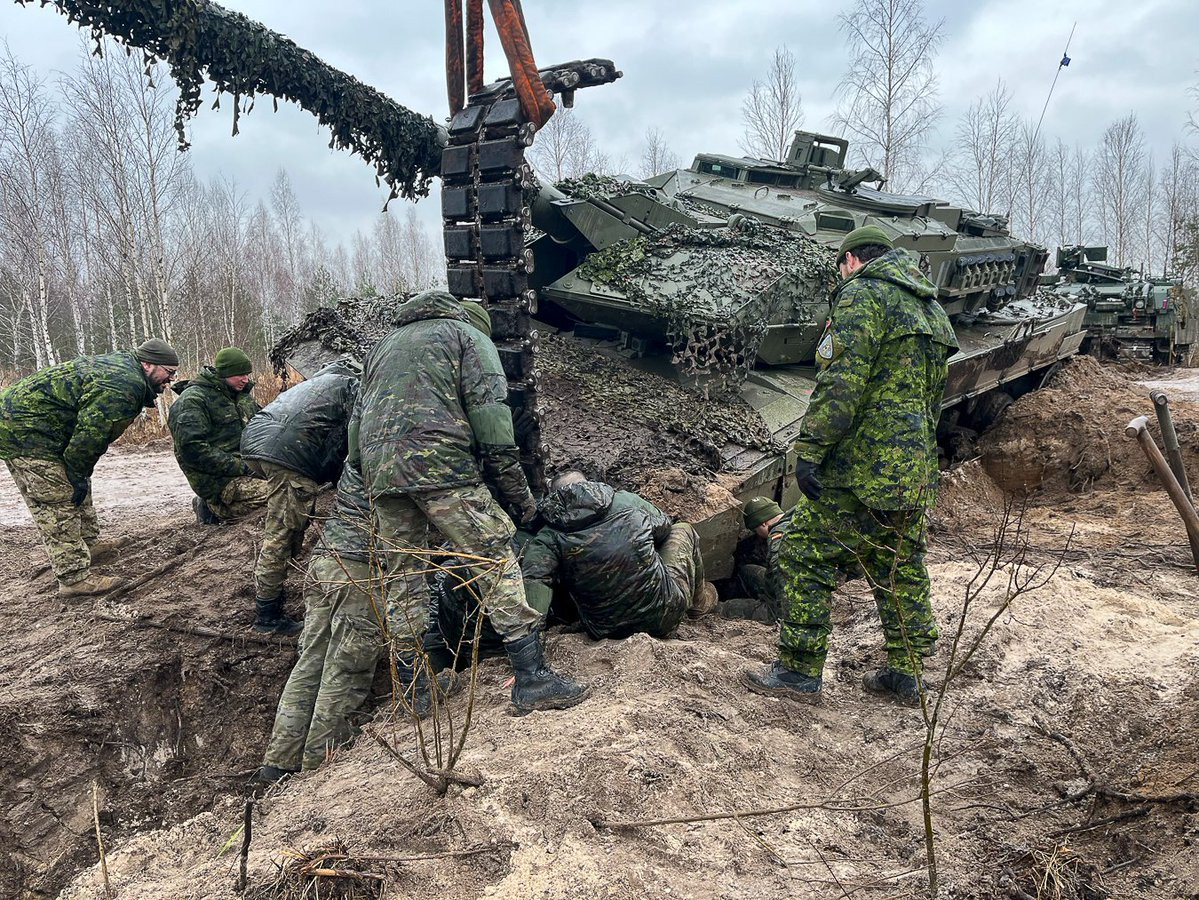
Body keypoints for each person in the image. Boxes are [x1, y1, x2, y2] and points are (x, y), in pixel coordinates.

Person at [742, 225, 958, 707]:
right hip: (913, 468)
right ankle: (907, 674)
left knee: (800, 550)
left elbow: (842, 383)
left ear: (852, 260)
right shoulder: (930, 307)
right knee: (897, 563)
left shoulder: (863, 295)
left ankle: (799, 669)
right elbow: (933, 398)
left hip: (863, 468)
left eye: (840, 267)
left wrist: (812, 449)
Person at [350, 290, 588, 715]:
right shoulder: (468, 338)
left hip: (382, 476)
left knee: (403, 577)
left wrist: (374, 471)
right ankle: (531, 678)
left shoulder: (383, 347)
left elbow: (355, 431)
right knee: (494, 556)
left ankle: (416, 692)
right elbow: (496, 434)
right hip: (442, 470)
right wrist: (524, 504)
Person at [0, 338, 179, 597]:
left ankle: (88, 544)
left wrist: (79, 472)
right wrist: (76, 473)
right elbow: (90, 437)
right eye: (169, 372)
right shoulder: (123, 386)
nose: (171, 379)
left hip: (39, 425)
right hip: (25, 433)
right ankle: (73, 578)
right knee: (57, 499)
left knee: (78, 478)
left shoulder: (127, 369)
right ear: (148, 364)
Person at [257, 462, 385, 781]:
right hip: (356, 571)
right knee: (348, 667)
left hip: (325, 560)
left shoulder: (365, 441)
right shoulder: (418, 453)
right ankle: (317, 771)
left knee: (312, 661)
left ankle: (279, 762)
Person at [521, 471, 718, 640]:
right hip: (665, 616)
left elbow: (534, 580)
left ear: (552, 498)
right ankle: (698, 604)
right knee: (683, 529)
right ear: (589, 484)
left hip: (603, 631)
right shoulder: (626, 501)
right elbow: (665, 526)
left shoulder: (547, 537)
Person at [240, 360, 359, 635]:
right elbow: (354, 440)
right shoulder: (351, 387)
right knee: (281, 533)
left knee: (288, 523)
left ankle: (270, 601)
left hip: (255, 444)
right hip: (289, 455)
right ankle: (267, 615)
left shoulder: (313, 384)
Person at [168, 347, 267, 525]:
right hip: (223, 484)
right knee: (284, 497)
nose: (246, 379)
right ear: (225, 373)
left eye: (247, 374)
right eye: (240, 374)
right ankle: (213, 508)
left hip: (253, 471)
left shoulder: (240, 397)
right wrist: (243, 467)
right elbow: (193, 451)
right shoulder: (192, 402)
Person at [719, 496, 788, 624]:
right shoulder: (796, 523)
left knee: (725, 608)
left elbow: (780, 576)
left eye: (756, 530)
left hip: (784, 607)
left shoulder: (776, 539)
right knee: (747, 570)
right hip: (807, 588)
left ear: (763, 524)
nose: (757, 534)